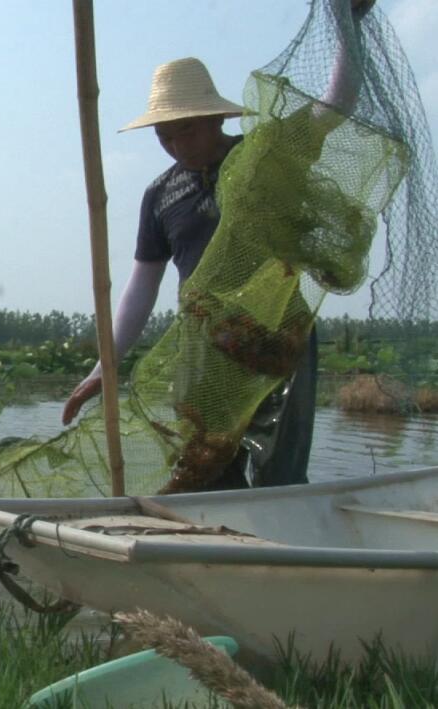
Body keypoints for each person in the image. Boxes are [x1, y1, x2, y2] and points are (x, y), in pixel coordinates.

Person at [62, 0, 374, 490]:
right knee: (204, 466)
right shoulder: (161, 194)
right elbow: (141, 286)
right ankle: (215, 549)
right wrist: (107, 365)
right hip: (205, 344)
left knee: (281, 468)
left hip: (279, 338)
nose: (173, 143)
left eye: (184, 128)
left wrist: (347, 21)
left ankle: (280, 553)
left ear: (215, 119)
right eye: (163, 134)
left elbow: (337, 103)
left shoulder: (265, 156)